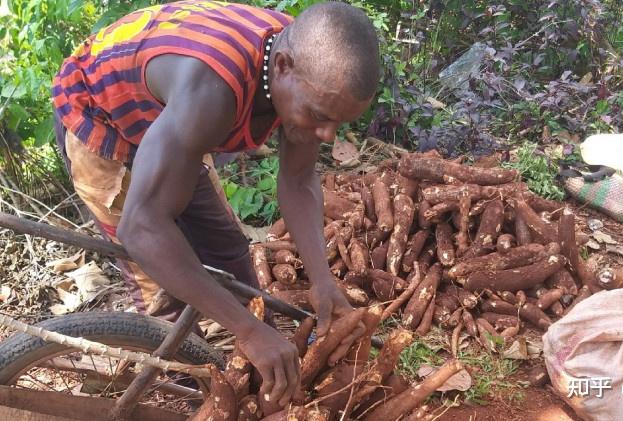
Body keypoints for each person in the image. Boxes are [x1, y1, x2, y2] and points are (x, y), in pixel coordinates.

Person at [51, 0, 379, 407]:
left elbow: (297, 180)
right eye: (319, 116)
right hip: (104, 121)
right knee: (162, 293)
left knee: (228, 251)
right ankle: (199, 401)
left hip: (172, 122)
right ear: (281, 67)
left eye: (338, 123)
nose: (327, 135)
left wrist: (323, 281)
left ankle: (269, 371)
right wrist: (247, 331)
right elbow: (142, 227)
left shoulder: (312, 71)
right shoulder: (213, 92)